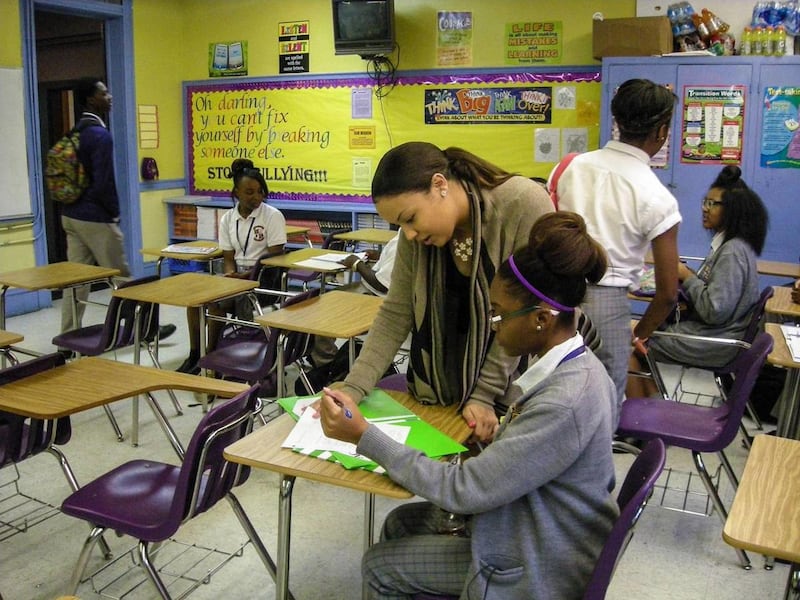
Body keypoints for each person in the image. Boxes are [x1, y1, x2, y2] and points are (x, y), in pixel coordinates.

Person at [319, 212, 618, 600]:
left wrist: (364, 435)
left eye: (498, 313)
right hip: (539, 525)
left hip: (536, 560)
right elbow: (538, 458)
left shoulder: (565, 401)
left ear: (542, 319)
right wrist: (497, 445)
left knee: (379, 568)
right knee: (401, 523)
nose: (492, 324)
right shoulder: (578, 368)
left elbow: (464, 491)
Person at [332, 141, 553, 442]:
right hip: (435, 387)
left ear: (440, 185)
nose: (408, 234)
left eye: (410, 219)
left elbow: (522, 313)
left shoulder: (521, 203)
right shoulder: (414, 236)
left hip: (507, 383)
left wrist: (484, 394)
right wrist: (353, 387)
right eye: (399, 225)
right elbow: (396, 312)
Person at [548, 78, 682, 412]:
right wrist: (640, 334)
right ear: (662, 132)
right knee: (599, 406)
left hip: (553, 294)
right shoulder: (658, 197)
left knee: (552, 394)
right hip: (606, 307)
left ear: (617, 121)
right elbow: (667, 293)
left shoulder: (570, 167)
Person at [628, 165, 769, 397]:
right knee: (639, 335)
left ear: (732, 210)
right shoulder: (730, 245)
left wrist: (686, 276)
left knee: (632, 340)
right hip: (715, 334)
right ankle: (650, 405)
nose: (705, 209)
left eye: (713, 204)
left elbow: (714, 311)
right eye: (705, 202)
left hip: (717, 343)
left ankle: (642, 412)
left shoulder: (732, 251)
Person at [58, 78, 176, 343]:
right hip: (95, 218)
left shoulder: (74, 132)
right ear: (91, 100)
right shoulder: (100, 135)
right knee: (122, 277)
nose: (109, 97)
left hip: (71, 215)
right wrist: (114, 213)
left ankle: (66, 337)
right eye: (104, 93)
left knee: (76, 281)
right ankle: (145, 330)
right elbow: (103, 182)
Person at [176, 161, 286, 373]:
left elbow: (275, 257)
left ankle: (209, 358)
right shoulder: (228, 218)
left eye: (260, 192)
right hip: (235, 278)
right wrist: (229, 275)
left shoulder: (272, 216)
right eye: (249, 192)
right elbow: (228, 256)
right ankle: (194, 354)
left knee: (216, 306)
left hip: (261, 279)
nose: (256, 197)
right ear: (236, 192)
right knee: (195, 303)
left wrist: (245, 276)